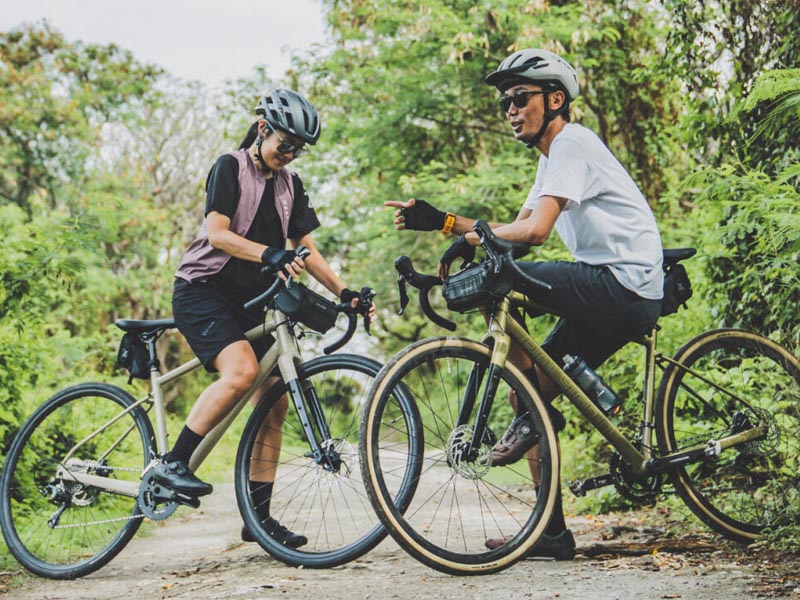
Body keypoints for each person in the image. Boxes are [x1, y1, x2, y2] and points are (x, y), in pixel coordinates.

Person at [386, 48, 663, 560]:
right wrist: (448, 228)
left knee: (508, 280)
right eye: (504, 103)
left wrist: (464, 234)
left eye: (519, 98)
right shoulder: (549, 160)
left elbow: (534, 233)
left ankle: (532, 427)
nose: (510, 109)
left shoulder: (572, 144)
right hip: (607, 290)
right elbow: (507, 236)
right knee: (526, 393)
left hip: (626, 286)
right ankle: (549, 532)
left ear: (555, 99)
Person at [152, 88, 375, 548]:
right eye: (284, 144)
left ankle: (258, 520)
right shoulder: (230, 167)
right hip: (203, 291)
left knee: (273, 403)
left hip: (253, 301)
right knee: (242, 372)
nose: (289, 154)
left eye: (297, 149)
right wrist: (271, 254)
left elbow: (307, 249)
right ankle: (173, 463)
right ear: (262, 129)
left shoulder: (290, 185)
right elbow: (218, 235)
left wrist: (345, 293)